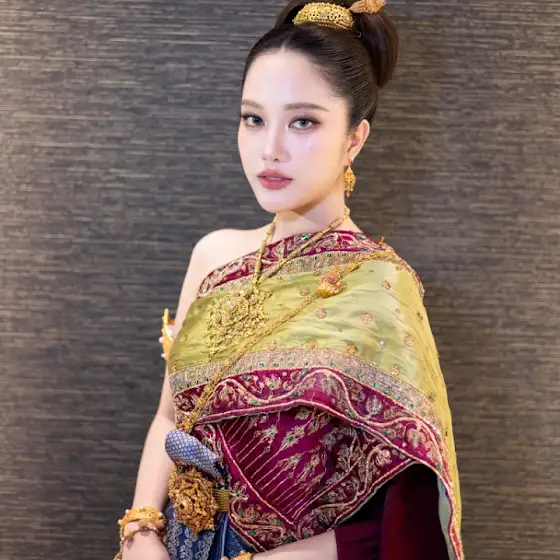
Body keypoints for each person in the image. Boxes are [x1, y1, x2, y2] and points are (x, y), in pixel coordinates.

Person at [113, 1, 464, 559]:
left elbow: (404, 512)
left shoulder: (379, 288)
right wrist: (141, 530)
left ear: (354, 138)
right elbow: (170, 417)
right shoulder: (214, 256)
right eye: (253, 118)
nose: (269, 148)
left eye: (303, 121)